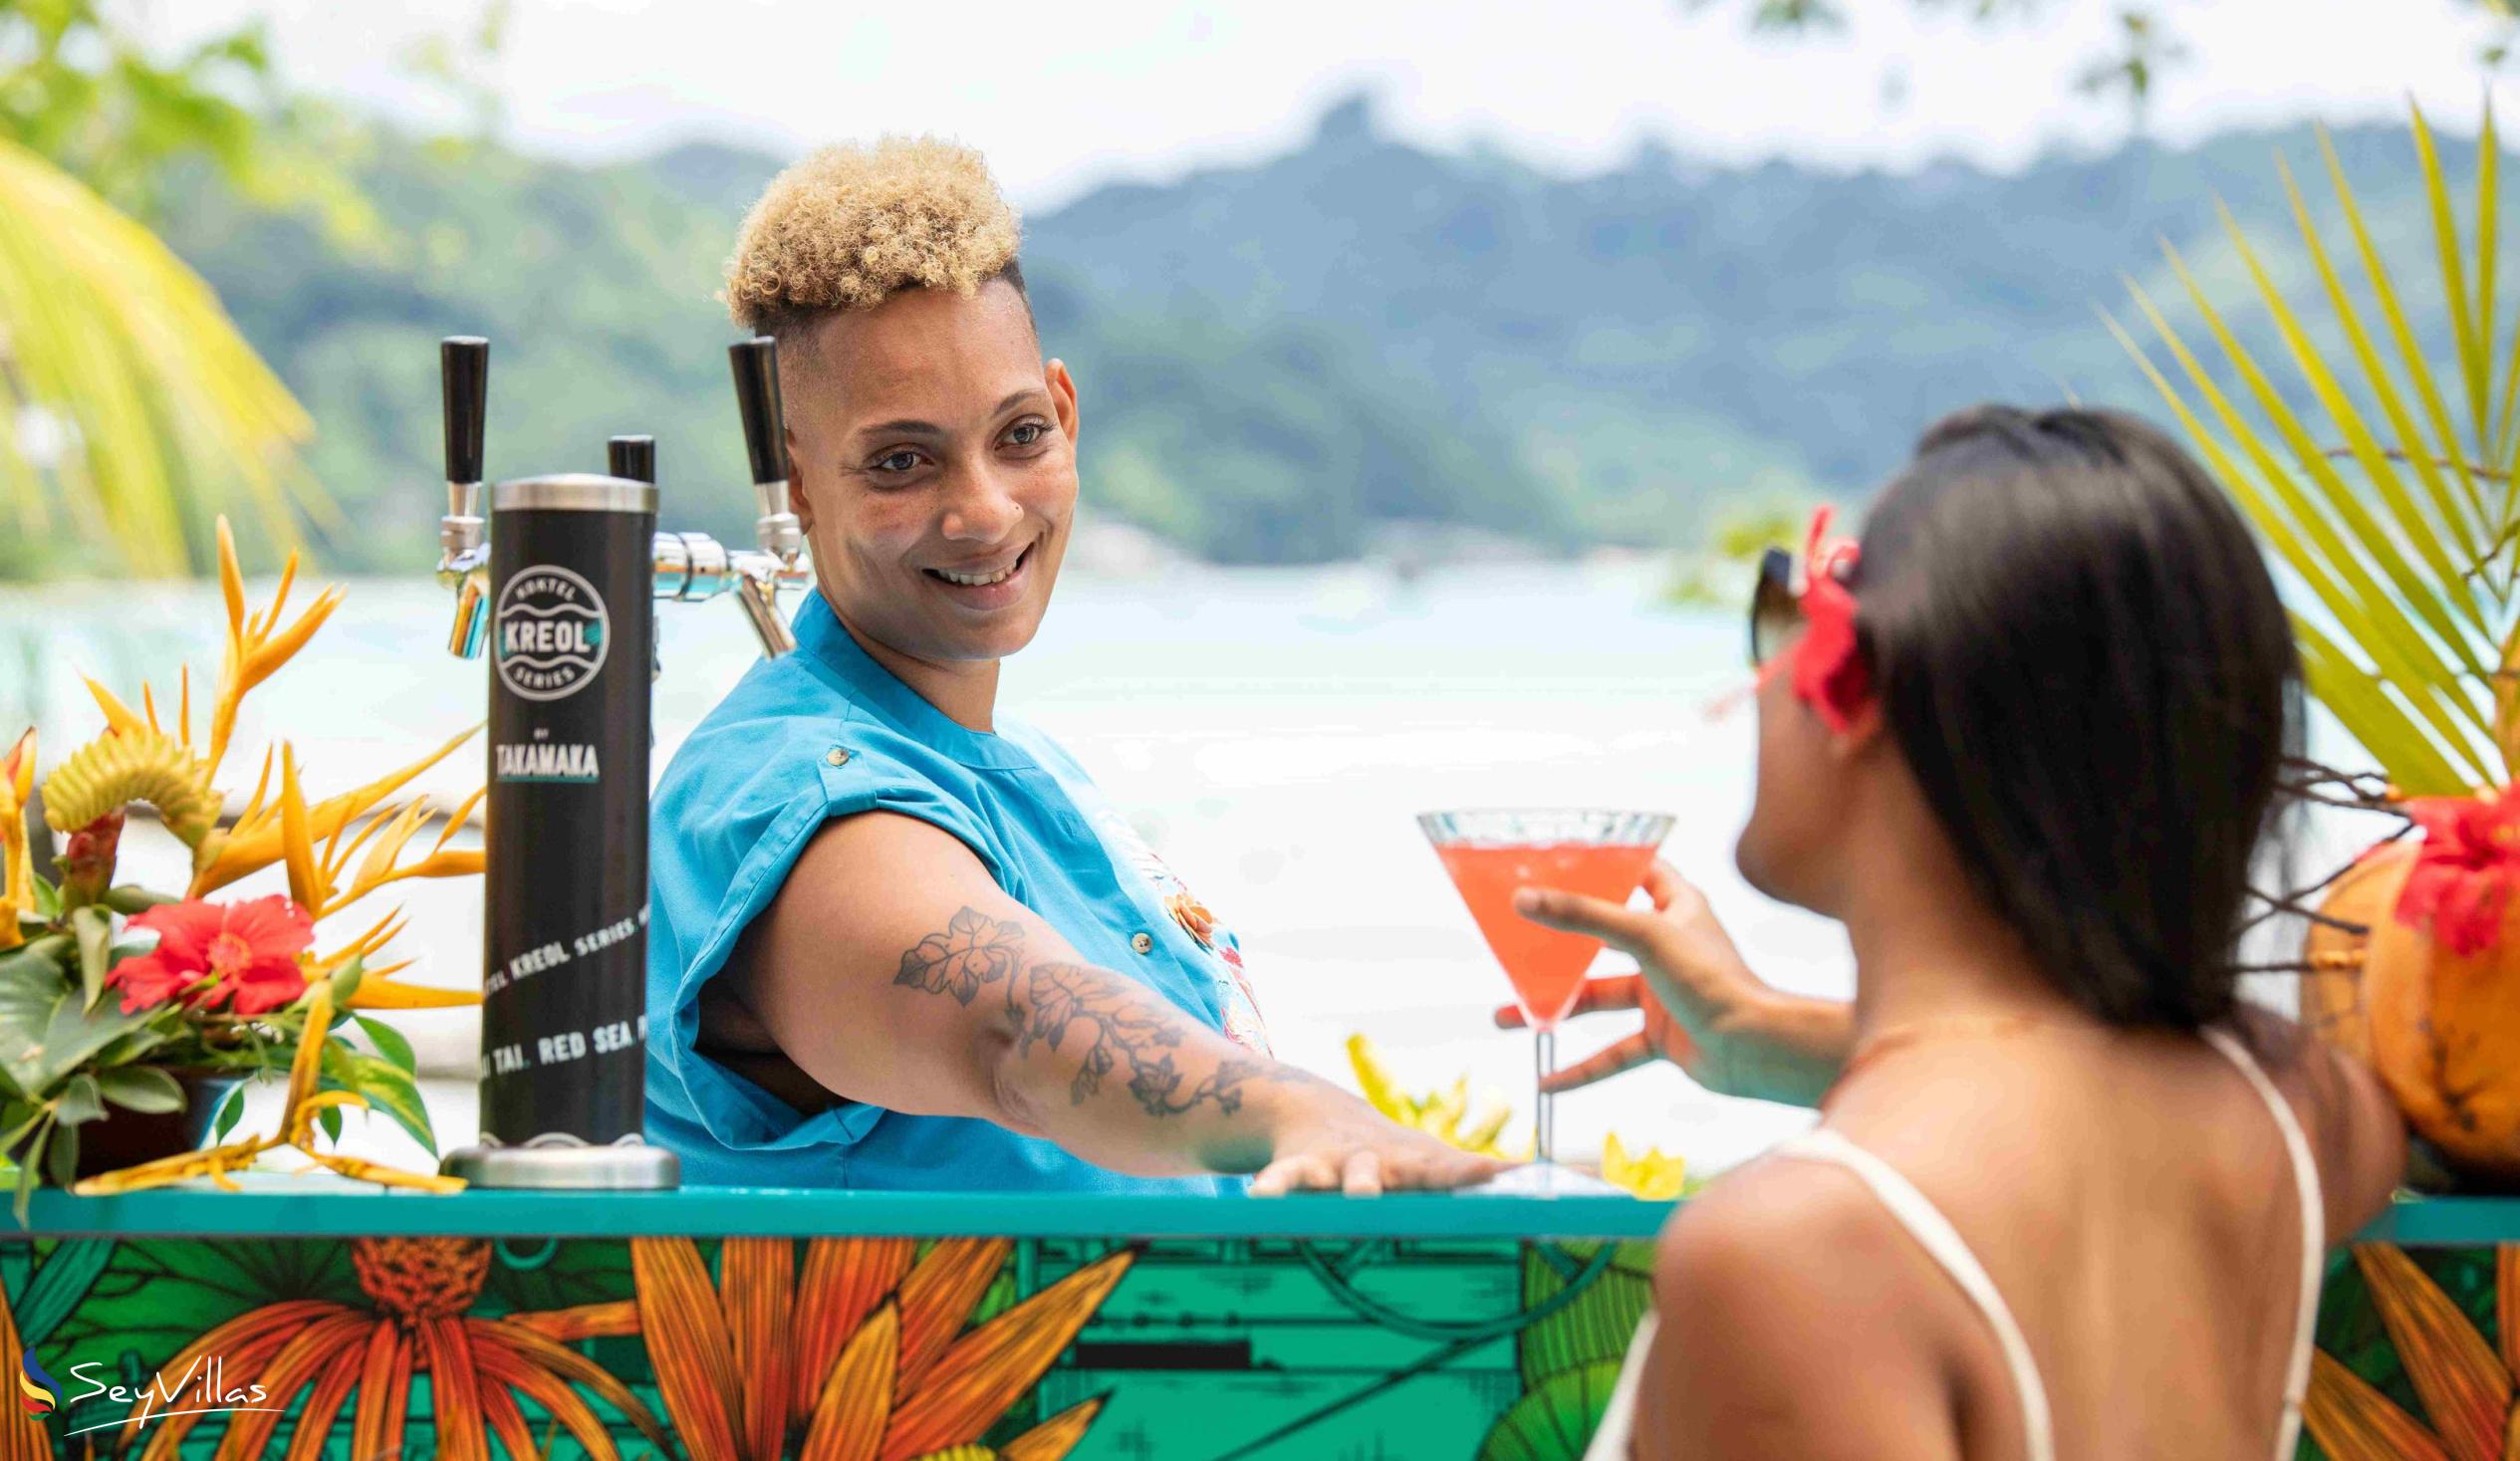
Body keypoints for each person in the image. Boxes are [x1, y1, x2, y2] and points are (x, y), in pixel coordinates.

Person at [1508, 407, 2405, 1458]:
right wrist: (1768, 1032)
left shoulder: (1797, 1254)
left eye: (1784, 610)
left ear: (1859, 693)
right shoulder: (2297, 1112)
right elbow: (2088, 1086)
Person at [643, 136, 1503, 1198]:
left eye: (1018, 435)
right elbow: (1018, 1029)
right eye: (900, 462)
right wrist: (1295, 1109)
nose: (984, 511)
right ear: (797, 481)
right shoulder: (788, 791)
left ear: (1067, 411)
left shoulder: (1021, 771)